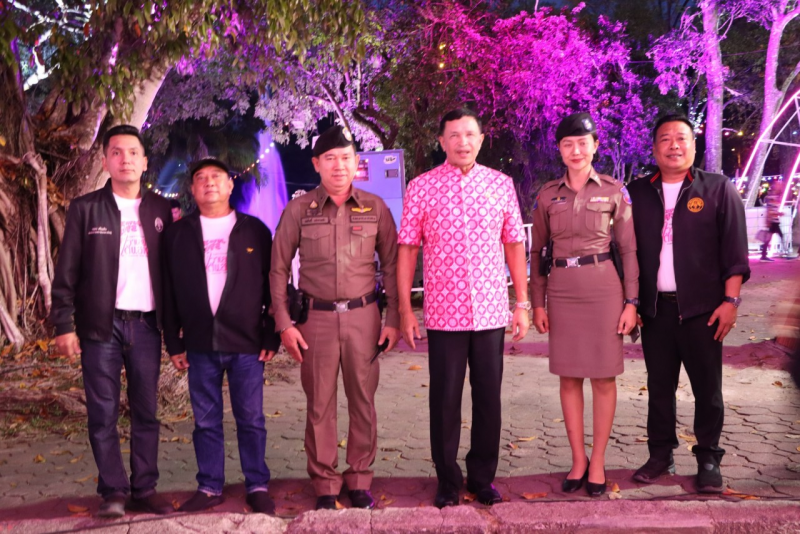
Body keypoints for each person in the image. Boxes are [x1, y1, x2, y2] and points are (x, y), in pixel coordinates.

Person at [397, 108, 529, 508]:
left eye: (470, 134)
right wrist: (405, 309)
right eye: (454, 135)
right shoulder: (421, 187)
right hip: (443, 313)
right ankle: (447, 480)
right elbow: (407, 249)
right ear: (442, 141)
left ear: (481, 139)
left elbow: (514, 245)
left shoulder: (500, 185)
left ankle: (483, 478)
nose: (463, 142)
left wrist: (522, 304)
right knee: (445, 401)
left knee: (488, 397)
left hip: (490, 311)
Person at [270, 125, 399, 511]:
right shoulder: (299, 210)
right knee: (319, 404)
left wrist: (394, 317)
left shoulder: (375, 207)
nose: (339, 165)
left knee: (363, 401)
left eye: (345, 158)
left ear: (356, 162)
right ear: (316, 164)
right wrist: (284, 323)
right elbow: (277, 269)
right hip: (316, 321)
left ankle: (359, 479)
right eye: (330, 159)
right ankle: (325, 483)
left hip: (364, 318)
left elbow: (392, 266)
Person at [50, 124, 173, 518]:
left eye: (133, 152)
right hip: (100, 327)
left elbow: (173, 274)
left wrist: (178, 329)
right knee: (102, 413)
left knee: (146, 412)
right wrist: (63, 325)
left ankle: (145, 488)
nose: (125, 160)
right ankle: (114, 491)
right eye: (116, 152)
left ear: (145, 161)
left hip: (147, 326)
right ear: (105, 161)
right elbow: (66, 271)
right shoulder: (85, 208)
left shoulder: (161, 211)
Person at [628, 114, 750, 493]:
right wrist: (631, 303)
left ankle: (709, 458)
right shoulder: (637, 193)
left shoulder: (717, 188)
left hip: (704, 311)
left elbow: (735, 251)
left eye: (681, 138)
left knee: (707, 390)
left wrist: (731, 301)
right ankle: (660, 455)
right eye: (665, 139)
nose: (674, 145)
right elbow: (624, 253)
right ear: (654, 148)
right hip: (655, 312)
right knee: (659, 388)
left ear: (694, 146)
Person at [530, 112, 639, 497]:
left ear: (595, 145)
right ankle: (578, 459)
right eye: (568, 144)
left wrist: (631, 302)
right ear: (560, 150)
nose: (576, 150)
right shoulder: (547, 195)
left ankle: (599, 461)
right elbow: (537, 251)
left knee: (604, 377)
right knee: (569, 376)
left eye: (582, 143)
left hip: (604, 289)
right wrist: (537, 303)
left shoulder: (614, 191)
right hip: (562, 290)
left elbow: (629, 249)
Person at [163, 158, 279, 514]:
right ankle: (210, 486)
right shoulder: (177, 235)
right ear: (192, 189)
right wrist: (174, 341)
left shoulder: (254, 230)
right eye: (200, 178)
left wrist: (271, 335)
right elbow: (168, 291)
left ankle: (257, 484)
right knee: (206, 422)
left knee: (251, 419)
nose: (209, 182)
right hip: (199, 344)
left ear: (230, 185)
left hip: (247, 344)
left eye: (217, 177)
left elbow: (273, 286)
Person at [760, 192, 783, 261]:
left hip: (774, 222)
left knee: (769, 239)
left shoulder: (773, 200)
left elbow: (770, 211)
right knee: (776, 237)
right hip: (773, 223)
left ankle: (764, 255)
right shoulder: (771, 200)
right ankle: (764, 255)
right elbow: (770, 212)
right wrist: (778, 214)